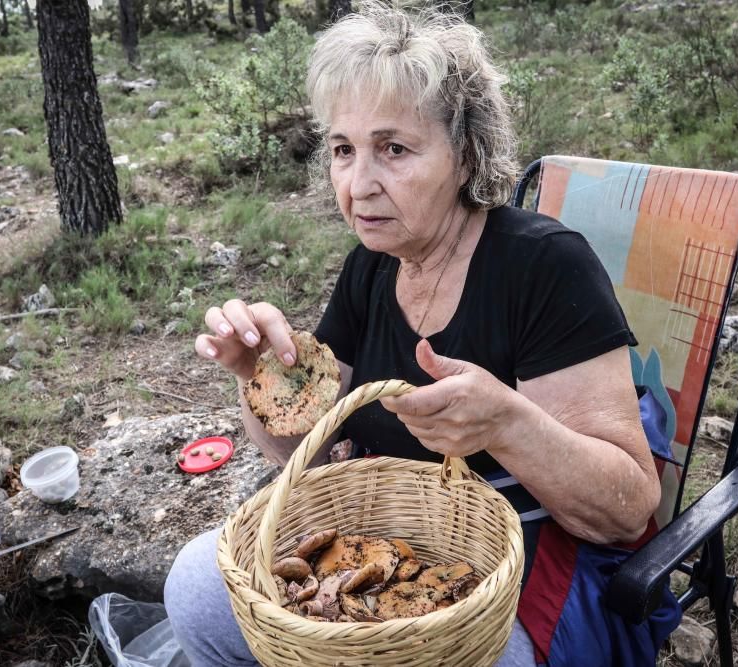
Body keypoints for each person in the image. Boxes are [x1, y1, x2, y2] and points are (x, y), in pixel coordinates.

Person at [166, 3, 681, 665]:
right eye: (343, 150)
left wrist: (507, 424)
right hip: (391, 553)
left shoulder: (545, 267)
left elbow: (626, 505)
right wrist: (260, 376)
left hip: (519, 577)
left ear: (465, 155)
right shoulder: (371, 267)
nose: (359, 184)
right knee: (196, 589)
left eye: (394, 149)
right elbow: (302, 450)